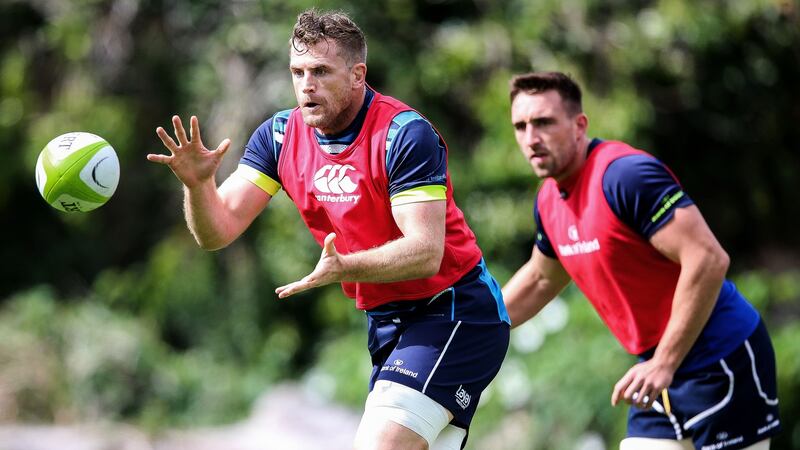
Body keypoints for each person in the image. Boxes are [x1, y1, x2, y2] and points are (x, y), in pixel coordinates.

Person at [147, 9, 509, 450]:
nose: (306, 85)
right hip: (388, 324)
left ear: (358, 75)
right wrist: (198, 185)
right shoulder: (279, 136)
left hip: (453, 311)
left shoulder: (403, 134)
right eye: (297, 72)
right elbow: (216, 232)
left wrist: (344, 267)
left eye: (320, 71)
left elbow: (425, 252)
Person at [503, 71, 780, 450]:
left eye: (544, 122)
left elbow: (708, 259)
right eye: (520, 126)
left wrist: (664, 362)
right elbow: (541, 278)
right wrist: (467, 325)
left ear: (579, 125)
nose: (531, 138)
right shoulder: (549, 199)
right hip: (658, 371)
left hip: (721, 358)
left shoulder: (624, 176)